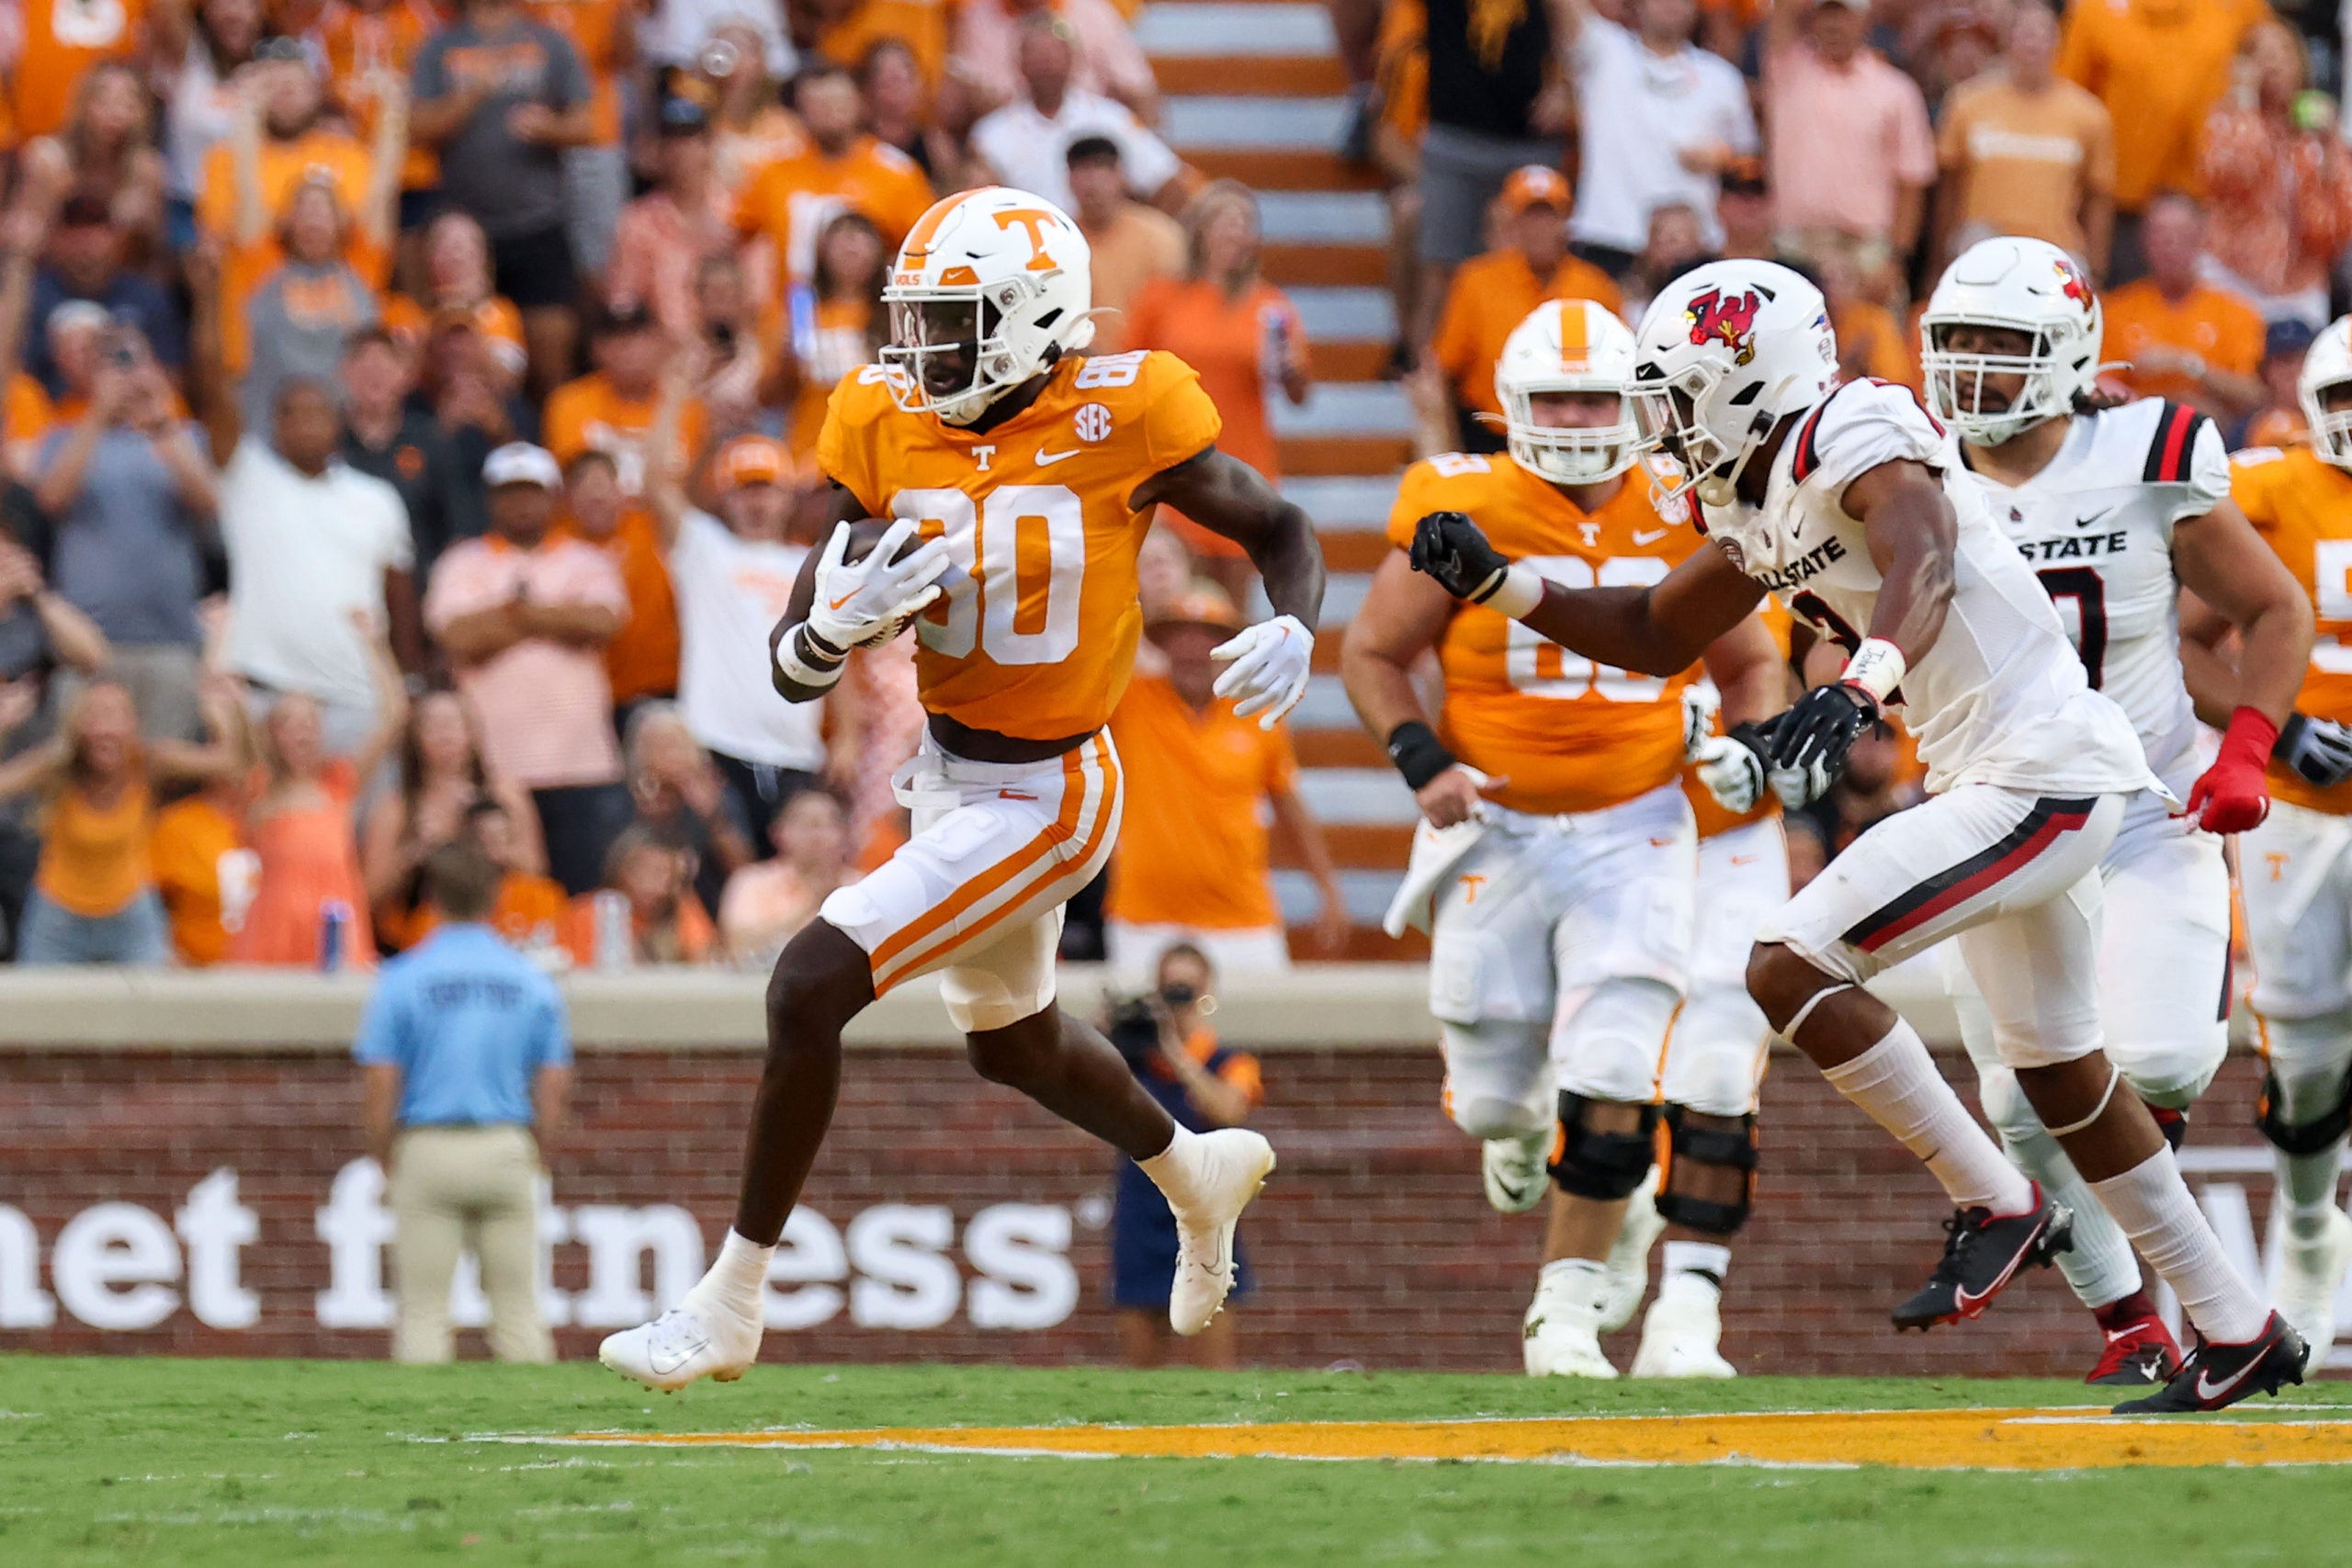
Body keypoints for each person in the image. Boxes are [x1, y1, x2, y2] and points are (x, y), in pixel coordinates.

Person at [1408, 257, 2301, 1413]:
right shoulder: (1745, 492)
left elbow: (1921, 545)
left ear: (1749, 380)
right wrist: (1498, 588)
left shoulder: (1854, 424)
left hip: (2042, 769)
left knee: (1788, 962)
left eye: (1680, 395)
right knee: (2061, 1071)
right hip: (2009, 773)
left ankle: (1994, 1199)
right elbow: (1648, 630)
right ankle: (2237, 1326)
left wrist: (1864, 680)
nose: (1664, 426)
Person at [597, 186, 1321, 1392]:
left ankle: (731, 1300)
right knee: (1012, 1040)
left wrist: (1298, 621)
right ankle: (1194, 1169)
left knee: (809, 980)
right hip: (948, 774)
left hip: (1054, 789)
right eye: (916, 321)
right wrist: (831, 628)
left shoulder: (1125, 406)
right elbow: (789, 661)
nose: (922, 351)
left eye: (954, 323)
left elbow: (1282, 523)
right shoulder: (882, 414)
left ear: (1038, 323)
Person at [1343, 299, 1783, 1378]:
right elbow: (1371, 650)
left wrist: (1752, 745)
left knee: (1619, 1058)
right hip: (1495, 823)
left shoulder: (1685, 504)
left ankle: (1565, 1314)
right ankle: (1529, 1144)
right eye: (1559, 399)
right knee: (1495, 1098)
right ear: (1509, 408)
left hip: (1639, 823)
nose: (1582, 420)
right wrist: (1422, 762)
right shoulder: (1460, 501)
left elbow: (1749, 665)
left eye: (1598, 397)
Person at [1919, 234, 2315, 1386]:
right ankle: (2134, 1328)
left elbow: (2273, 607)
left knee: (2156, 1063)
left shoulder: (2153, 449)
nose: (1975, 372)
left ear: (2068, 350)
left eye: (2003, 344)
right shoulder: (1908, 466)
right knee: (2020, 1107)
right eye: (1957, 345)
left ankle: (2200, 1315)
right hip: (1997, 824)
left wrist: (2245, 750)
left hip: (2143, 815)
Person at [2224, 317, 2352, 1368]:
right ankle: (2309, 1219)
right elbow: (2183, 624)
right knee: (2305, 1047)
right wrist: (2280, 724)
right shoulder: (2267, 488)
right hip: (2297, 804)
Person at [356, 837, 571, 1363]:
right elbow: (554, 1081)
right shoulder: (530, 980)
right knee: (519, 1311)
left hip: (428, 1144)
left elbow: (381, 1079)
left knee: (424, 1312)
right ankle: (537, 1434)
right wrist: (539, 1148)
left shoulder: (401, 978)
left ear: (433, 898)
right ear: (495, 897)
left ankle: (419, 1438)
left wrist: (384, 1153)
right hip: (504, 1140)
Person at [423, 442, 631, 896]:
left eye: (532, 491)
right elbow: (457, 638)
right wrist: (555, 618)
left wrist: (512, 614)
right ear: (490, 498)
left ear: (554, 496)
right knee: (501, 899)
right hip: (494, 769)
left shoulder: (586, 559)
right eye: (509, 492)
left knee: (582, 896)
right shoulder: (463, 561)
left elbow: (604, 622)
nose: (521, 502)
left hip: (582, 766)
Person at [1105, 584, 1344, 977]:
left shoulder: (1257, 712)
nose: (1192, 650)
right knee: (1140, 1036)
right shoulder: (1128, 701)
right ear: (1162, 645)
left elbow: (1289, 805)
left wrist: (1327, 888)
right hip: (1144, 915)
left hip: (1241, 916)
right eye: (1180, 636)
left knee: (1263, 1034)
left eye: (1207, 637)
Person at [646, 378, 828, 833]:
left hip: (797, 751)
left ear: (788, 496)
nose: (757, 501)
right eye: (745, 489)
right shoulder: (705, 550)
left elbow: (831, 647)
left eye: (766, 488)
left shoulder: (811, 564)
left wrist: (843, 737)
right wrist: (676, 390)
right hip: (715, 747)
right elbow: (655, 483)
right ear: (724, 496)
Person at [32, 316, 220, 741]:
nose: (125, 374)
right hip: (89, 648)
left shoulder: (183, 434)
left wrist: (160, 422)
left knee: (163, 767)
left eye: (133, 360)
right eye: (111, 364)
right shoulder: (63, 436)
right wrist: (98, 414)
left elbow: (208, 503)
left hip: (170, 643)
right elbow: (51, 498)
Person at [1124, 182, 1310, 601]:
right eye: (1223, 222)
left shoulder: (1270, 304)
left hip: (1241, 465)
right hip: (1172, 464)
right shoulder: (1161, 296)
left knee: (1232, 608)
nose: (1234, 232)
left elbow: (1299, 393)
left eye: (1244, 223)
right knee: (1168, 597)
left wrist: (1290, 370)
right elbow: (1127, 374)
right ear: (1199, 230)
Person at [215, 379, 420, 749]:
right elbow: (215, 393)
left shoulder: (377, 498)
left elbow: (400, 597)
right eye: (295, 415)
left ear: (338, 424)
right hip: (267, 693)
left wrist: (409, 677)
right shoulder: (247, 478)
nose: (308, 424)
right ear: (276, 426)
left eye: (319, 414)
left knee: (360, 807)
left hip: (359, 695)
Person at [409, 0, 598, 396]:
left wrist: (550, 127)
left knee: (552, 361)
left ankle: (549, 447)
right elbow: (418, 127)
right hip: (465, 229)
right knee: (459, 361)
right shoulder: (439, 46)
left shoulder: (551, 42)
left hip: (538, 222)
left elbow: (587, 124)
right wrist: (474, 92)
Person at [0, 675, 245, 963]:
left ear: (134, 725)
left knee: (151, 1004)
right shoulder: (57, 767)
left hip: (131, 915)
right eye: (95, 717)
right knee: (41, 1004)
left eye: (116, 716)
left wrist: (221, 713)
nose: (106, 729)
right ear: (76, 727)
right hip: (58, 918)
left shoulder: (149, 763)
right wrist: (4, 727)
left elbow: (229, 761)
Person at [1107, 943, 1262, 1370]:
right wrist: (1101, 1038)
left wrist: (1176, 1051)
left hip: (1205, 1216)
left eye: (1185, 990)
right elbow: (1077, 1114)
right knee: (1140, 1369)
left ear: (1205, 992)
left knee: (1216, 1368)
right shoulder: (1130, 1064)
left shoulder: (1230, 1061)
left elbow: (1228, 1110)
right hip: (1143, 1212)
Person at [233, 615, 408, 967]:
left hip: (333, 920)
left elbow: (394, 713)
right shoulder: (260, 789)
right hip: (275, 925)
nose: (301, 733)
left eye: (309, 724)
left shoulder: (339, 782)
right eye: (288, 724)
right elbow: (226, 702)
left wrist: (373, 646)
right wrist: (221, 641)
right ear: (272, 735)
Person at [2056, 0, 2267, 282]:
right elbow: (2068, 99)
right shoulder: (2095, 11)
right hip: (2124, 205)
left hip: (2215, 203)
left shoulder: (2238, 7)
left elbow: (2276, 58)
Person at [1422, 165, 1623, 455]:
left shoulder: (1596, 286)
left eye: (1549, 216)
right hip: (1492, 437)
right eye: (1529, 217)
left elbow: (1623, 369)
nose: (1539, 227)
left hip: (1576, 437)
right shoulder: (1476, 281)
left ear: (1566, 223)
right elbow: (1443, 369)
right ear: (1512, 224)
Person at [1551, 0, 1758, 276]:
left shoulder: (1722, 77)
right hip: (1609, 236)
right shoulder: (1605, 50)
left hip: (1692, 247)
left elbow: (1748, 161)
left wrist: (1722, 158)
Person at [1408, 0, 1568, 354]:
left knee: (1538, 262)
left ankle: (1545, 367)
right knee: (1440, 271)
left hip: (1530, 140)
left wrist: (1565, 85)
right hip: (1455, 134)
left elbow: (1573, 25)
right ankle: (1423, 383)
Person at [1932, 1, 2114, 278]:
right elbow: (1949, 189)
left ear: (2058, 42)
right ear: (2008, 39)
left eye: (2042, 34)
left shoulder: (2090, 115)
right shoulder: (1967, 103)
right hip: (1982, 248)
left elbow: (2098, 200)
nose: (2032, 44)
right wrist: (1938, 263)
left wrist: (2098, 273)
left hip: (2056, 253)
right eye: (2025, 33)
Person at [1760, 0, 1935, 283]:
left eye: (1843, 16)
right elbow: (1782, 11)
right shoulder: (1787, 71)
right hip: (1795, 243)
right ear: (1812, 21)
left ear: (1865, 21)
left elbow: (1911, 182)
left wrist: (1896, 259)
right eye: (1825, 16)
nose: (1833, 25)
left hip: (1867, 249)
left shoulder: (1896, 90)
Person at [361, 686, 544, 951]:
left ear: (473, 732)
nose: (445, 734)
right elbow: (369, 895)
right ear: (415, 737)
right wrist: (414, 853)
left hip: (501, 930)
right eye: (433, 726)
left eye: (455, 723)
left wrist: (497, 847)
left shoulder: (506, 794)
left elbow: (536, 869)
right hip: (420, 937)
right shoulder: (397, 808)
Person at [2197, 19, 2352, 330]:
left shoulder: (2317, 137)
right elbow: (2230, 175)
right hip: (2231, 274)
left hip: (2301, 285)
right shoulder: (2226, 119)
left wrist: (2331, 148)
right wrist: (2246, 102)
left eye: (2283, 51)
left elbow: (2337, 224)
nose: (2274, 62)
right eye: (2261, 55)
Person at [729, 60, 933, 297]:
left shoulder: (897, 172)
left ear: (859, 103)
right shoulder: (773, 170)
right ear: (800, 112)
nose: (830, 113)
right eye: (819, 105)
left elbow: (923, 253)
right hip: (789, 322)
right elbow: (733, 236)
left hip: (870, 325)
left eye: (838, 102)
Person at [967, 15, 1182, 220]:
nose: (1047, 61)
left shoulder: (1112, 119)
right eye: (1037, 53)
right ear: (1018, 63)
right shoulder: (991, 134)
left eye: (1055, 52)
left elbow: (1167, 181)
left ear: (1074, 59)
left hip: (1100, 245)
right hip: (1029, 249)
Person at [2099, 192, 2266, 423]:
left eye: (2181, 235)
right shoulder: (2115, 310)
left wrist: (2189, 365)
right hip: (2137, 428)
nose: (2171, 246)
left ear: (2201, 239)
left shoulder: (2237, 312)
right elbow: (2099, 386)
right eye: (2161, 235)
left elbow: (2253, 393)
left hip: (2212, 431)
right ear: (2143, 240)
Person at [340, 327, 477, 578]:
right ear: (344, 373)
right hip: (344, 578)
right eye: (363, 364)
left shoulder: (431, 441)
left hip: (417, 582)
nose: (374, 374)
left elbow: (459, 523)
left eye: (385, 365)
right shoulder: (328, 443)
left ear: (405, 376)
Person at [556, 448, 677, 724]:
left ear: (622, 491)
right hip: (589, 698)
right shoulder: (557, 543)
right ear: (568, 497)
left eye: (603, 483)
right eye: (583, 484)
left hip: (661, 685)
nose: (595, 494)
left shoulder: (651, 526)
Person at [605, 91, 739, 343]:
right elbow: (624, 304)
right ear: (658, 151)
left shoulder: (739, 213)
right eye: (672, 141)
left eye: (691, 140)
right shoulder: (637, 222)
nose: (682, 151)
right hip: (667, 356)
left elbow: (760, 298)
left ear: (709, 146)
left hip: (739, 352)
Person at [542, 301, 708, 500]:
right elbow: (577, 487)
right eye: (614, 336)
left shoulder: (688, 408)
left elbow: (698, 493)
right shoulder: (569, 402)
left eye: (637, 334)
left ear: (660, 343)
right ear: (596, 349)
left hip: (668, 526)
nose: (626, 345)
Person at [28, 195, 184, 397]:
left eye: (95, 234)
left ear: (117, 239)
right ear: (55, 240)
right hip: (52, 418)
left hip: (131, 417)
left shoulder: (145, 296)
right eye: (75, 235)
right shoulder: (34, 298)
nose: (85, 248)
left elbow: (174, 381)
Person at [620, 701, 755, 920]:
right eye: (660, 745)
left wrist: (712, 817)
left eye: (678, 744)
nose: (672, 754)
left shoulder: (719, 795)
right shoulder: (623, 798)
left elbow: (745, 872)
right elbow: (616, 871)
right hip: (641, 910)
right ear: (639, 754)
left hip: (711, 908)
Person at [779, 209, 887, 463]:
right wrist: (784, 359)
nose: (851, 245)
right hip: (809, 449)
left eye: (861, 236)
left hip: (871, 451)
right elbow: (774, 394)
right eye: (841, 237)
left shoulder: (891, 313)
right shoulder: (803, 309)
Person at [1062, 136, 1182, 358]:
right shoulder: (1058, 240)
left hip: (1147, 363)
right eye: (1082, 170)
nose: (1092, 182)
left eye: (1101, 168)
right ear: (1068, 180)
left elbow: (1179, 309)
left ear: (1121, 175)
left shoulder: (1160, 236)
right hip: (1077, 367)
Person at [718, 785, 856, 971]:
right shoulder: (752, 882)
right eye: (807, 824)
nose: (817, 836)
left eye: (829, 824)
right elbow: (738, 946)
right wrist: (813, 902)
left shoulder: (861, 886)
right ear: (778, 833)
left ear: (845, 835)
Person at [561, 822, 717, 966]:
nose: (660, 886)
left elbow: (705, 962)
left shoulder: (680, 909)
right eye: (652, 872)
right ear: (622, 870)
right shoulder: (590, 912)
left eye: (669, 876)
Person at [2245, 318, 2317, 451]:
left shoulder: (2332, 411)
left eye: (2304, 359)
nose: (2296, 370)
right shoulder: (2270, 427)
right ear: (2266, 372)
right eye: (2286, 361)